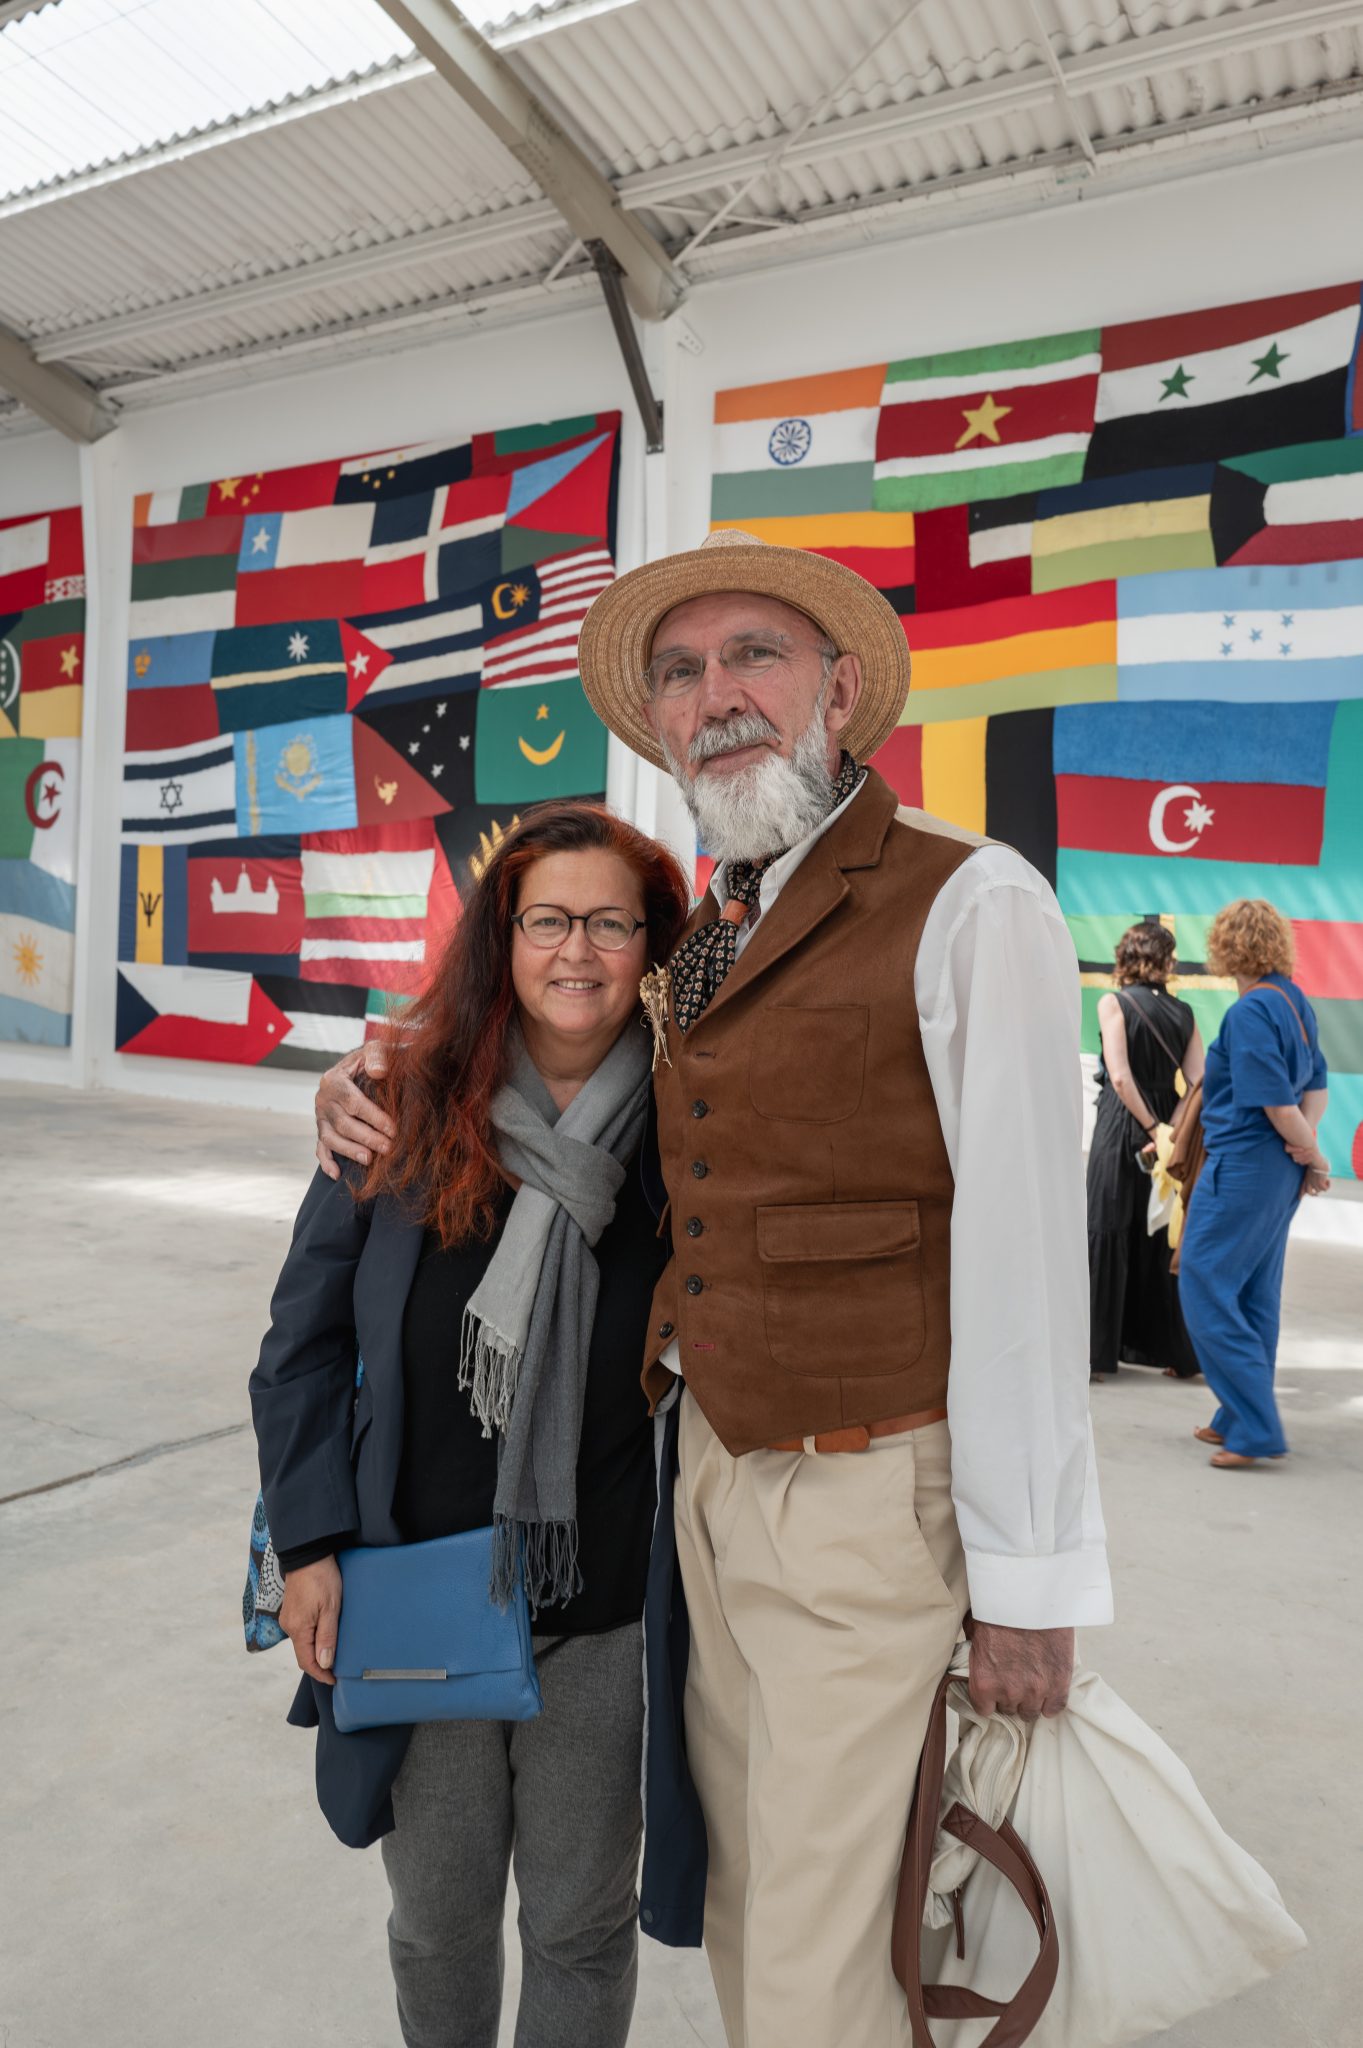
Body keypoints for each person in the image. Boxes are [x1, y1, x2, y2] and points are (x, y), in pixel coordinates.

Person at [320, 530, 1113, 2048]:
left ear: (837, 694)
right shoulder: (710, 935)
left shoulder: (964, 900)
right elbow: (563, 1060)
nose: (716, 694)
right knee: (753, 1900)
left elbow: (1023, 1268)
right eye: (681, 673)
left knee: (820, 1960)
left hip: (867, 1496)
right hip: (705, 1489)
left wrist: (1026, 1583)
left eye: (754, 655)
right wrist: (366, 1075)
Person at [251, 801, 690, 2048]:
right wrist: (309, 1545)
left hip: (597, 1603)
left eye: (614, 922)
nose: (579, 950)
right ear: (501, 936)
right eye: (548, 918)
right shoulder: (398, 1103)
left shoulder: (686, 1132)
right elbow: (299, 1349)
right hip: (417, 1592)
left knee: (580, 1924)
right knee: (437, 1923)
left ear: (650, 943)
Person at [1177, 898, 1329, 1470]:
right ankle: (1238, 1416)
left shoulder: (1247, 1014)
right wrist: (1306, 1150)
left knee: (1204, 1282)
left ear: (1226, 945)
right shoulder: (1293, 1001)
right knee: (1252, 1291)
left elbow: (1275, 1102)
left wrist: (1309, 1154)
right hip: (1275, 1170)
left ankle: (1257, 1426)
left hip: (1243, 1166)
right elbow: (1316, 1087)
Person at [1087, 921, 1204, 1381]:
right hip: (1167, 1128)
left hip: (1121, 1124)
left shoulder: (1112, 1002)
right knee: (1158, 1233)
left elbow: (1118, 1076)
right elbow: (1198, 1081)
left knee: (1106, 1228)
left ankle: (1096, 1353)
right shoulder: (1186, 1013)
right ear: (1165, 961)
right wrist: (1168, 1127)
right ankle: (1169, 1349)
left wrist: (1147, 1124)